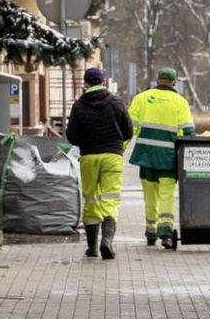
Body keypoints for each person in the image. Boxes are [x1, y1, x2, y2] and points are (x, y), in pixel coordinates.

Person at [66, 67, 133, 260]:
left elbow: (72, 136)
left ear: (85, 84)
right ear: (103, 82)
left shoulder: (78, 105)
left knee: (91, 198)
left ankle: (92, 247)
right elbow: (128, 131)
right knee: (110, 198)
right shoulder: (117, 102)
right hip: (112, 156)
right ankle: (107, 241)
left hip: (89, 157)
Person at [129, 67, 195, 247]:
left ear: (157, 80)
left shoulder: (141, 99)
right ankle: (166, 233)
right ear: (174, 83)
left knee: (150, 196)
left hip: (146, 158)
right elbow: (189, 132)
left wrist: (119, 149)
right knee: (167, 195)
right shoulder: (180, 102)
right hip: (168, 160)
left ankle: (151, 232)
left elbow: (128, 130)